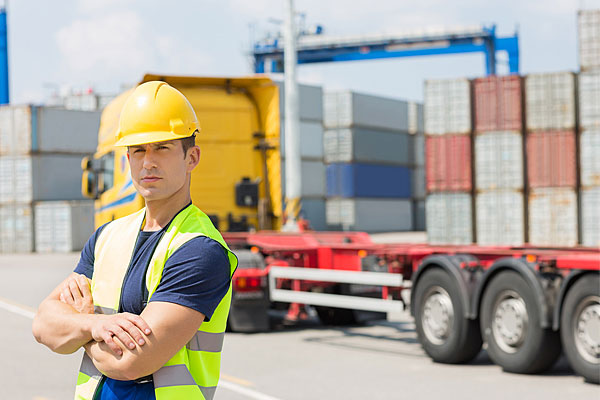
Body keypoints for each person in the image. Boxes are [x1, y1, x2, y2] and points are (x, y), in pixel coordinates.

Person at [32, 81, 238, 400]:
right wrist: (95, 326)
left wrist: (80, 325)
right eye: (138, 150)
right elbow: (44, 325)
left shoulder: (200, 250)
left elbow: (131, 361)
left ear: (192, 157)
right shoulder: (106, 237)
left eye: (162, 148)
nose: (148, 162)